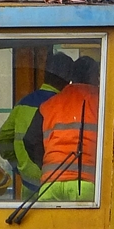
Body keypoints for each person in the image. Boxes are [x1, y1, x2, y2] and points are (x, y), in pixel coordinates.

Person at [24, 55, 99, 202]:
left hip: (50, 184)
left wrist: (48, 165)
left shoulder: (50, 104)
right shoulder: (101, 102)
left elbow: (30, 140)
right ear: (95, 77)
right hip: (84, 184)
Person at [0, 51, 73, 194]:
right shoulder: (64, 106)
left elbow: (3, 139)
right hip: (57, 187)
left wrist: (17, 165)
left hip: (28, 185)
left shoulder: (22, 104)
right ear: (66, 78)